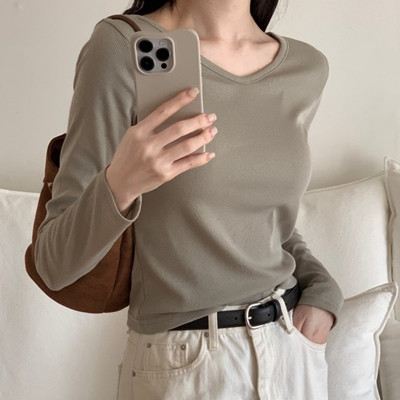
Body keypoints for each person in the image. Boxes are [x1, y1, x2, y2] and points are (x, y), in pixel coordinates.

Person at [34, 0, 344, 399]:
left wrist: (322, 288)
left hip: (291, 349)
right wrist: (121, 183)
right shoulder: (121, 47)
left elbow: (271, 225)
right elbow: (54, 265)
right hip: (186, 366)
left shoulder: (305, 67)